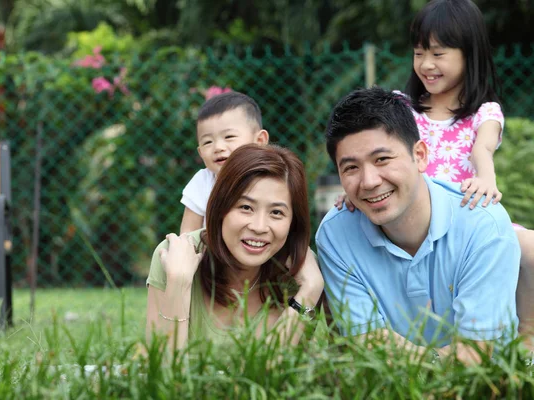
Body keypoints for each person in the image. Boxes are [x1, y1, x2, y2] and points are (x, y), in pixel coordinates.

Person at [336, 0, 534, 340]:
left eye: (438, 54)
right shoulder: (401, 106)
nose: (426, 65)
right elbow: (372, 151)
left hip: (465, 217)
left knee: (529, 248)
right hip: (412, 219)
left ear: (468, 54)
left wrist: (485, 179)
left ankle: (527, 333)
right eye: (418, 53)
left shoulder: (483, 112)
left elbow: (481, 149)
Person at [317, 87, 520, 364]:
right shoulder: (335, 235)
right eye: (351, 168)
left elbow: (475, 355)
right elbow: (367, 344)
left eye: (382, 159)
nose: (369, 181)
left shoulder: (483, 225)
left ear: (421, 155)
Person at [147, 144, 324, 350]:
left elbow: (274, 377)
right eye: (246, 207)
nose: (259, 227)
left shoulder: (302, 278)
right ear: (220, 207)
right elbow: (163, 374)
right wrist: (178, 284)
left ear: (293, 222)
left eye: (276, 212)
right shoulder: (172, 258)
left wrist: (310, 291)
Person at [179, 91, 269, 234]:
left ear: (259, 141)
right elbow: (188, 232)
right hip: (211, 255)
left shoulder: (272, 179)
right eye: (208, 142)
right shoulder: (203, 182)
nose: (218, 147)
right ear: (201, 153)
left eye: (229, 136)